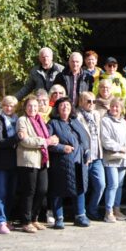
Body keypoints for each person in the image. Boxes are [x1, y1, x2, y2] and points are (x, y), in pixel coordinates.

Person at [47, 97, 92, 229]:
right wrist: (62, 148)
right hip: (61, 163)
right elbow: (48, 143)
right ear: (57, 109)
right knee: (58, 190)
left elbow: (85, 139)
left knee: (80, 188)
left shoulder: (76, 122)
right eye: (62, 105)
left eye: (67, 105)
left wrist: (88, 153)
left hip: (79, 162)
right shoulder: (52, 123)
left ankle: (80, 215)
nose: (65, 107)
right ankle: (58, 218)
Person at [15, 96, 58, 233]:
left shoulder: (41, 120)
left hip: (42, 160)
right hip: (28, 161)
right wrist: (46, 141)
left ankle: (34, 218)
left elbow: (48, 139)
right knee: (29, 191)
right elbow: (25, 141)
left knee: (42, 190)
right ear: (25, 107)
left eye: (35, 106)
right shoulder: (22, 120)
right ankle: (25, 220)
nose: (32, 109)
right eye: (30, 106)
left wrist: (52, 140)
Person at [0, 95, 20, 234]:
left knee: (11, 193)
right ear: (2, 106)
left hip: (14, 162)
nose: (9, 108)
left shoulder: (17, 121)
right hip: (0, 162)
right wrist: (16, 138)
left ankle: (7, 219)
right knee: (1, 192)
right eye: (7, 105)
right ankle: (0, 221)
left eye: (12, 106)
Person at [75, 91, 107, 221]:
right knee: (83, 186)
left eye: (94, 101)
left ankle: (92, 209)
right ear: (81, 102)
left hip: (97, 156)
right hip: (84, 157)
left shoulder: (96, 115)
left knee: (101, 185)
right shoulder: (77, 116)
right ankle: (80, 212)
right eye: (88, 101)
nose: (92, 104)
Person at [100, 96, 126, 222]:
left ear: (121, 109)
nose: (114, 108)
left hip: (123, 158)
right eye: (113, 106)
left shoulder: (124, 122)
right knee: (112, 184)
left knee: (119, 185)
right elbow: (105, 140)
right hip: (111, 157)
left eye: (117, 107)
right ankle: (108, 212)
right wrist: (119, 148)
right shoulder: (105, 121)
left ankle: (117, 209)